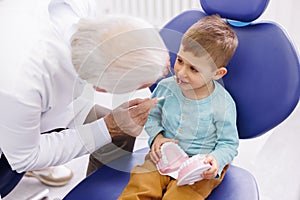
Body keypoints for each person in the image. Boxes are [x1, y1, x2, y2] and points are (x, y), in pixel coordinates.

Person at [0, 0, 169, 198]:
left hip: (32, 106)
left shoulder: (78, 7)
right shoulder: (20, 83)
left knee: (119, 134)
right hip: (12, 141)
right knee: (111, 128)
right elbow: (23, 158)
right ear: (101, 89)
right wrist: (109, 126)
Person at [119, 14, 239, 200]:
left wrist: (216, 160)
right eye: (180, 60)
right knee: (140, 185)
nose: (181, 72)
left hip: (199, 167)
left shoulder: (223, 104)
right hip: (164, 156)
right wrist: (157, 137)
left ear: (217, 73)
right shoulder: (166, 87)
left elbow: (228, 144)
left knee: (181, 196)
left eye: (193, 69)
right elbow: (152, 116)